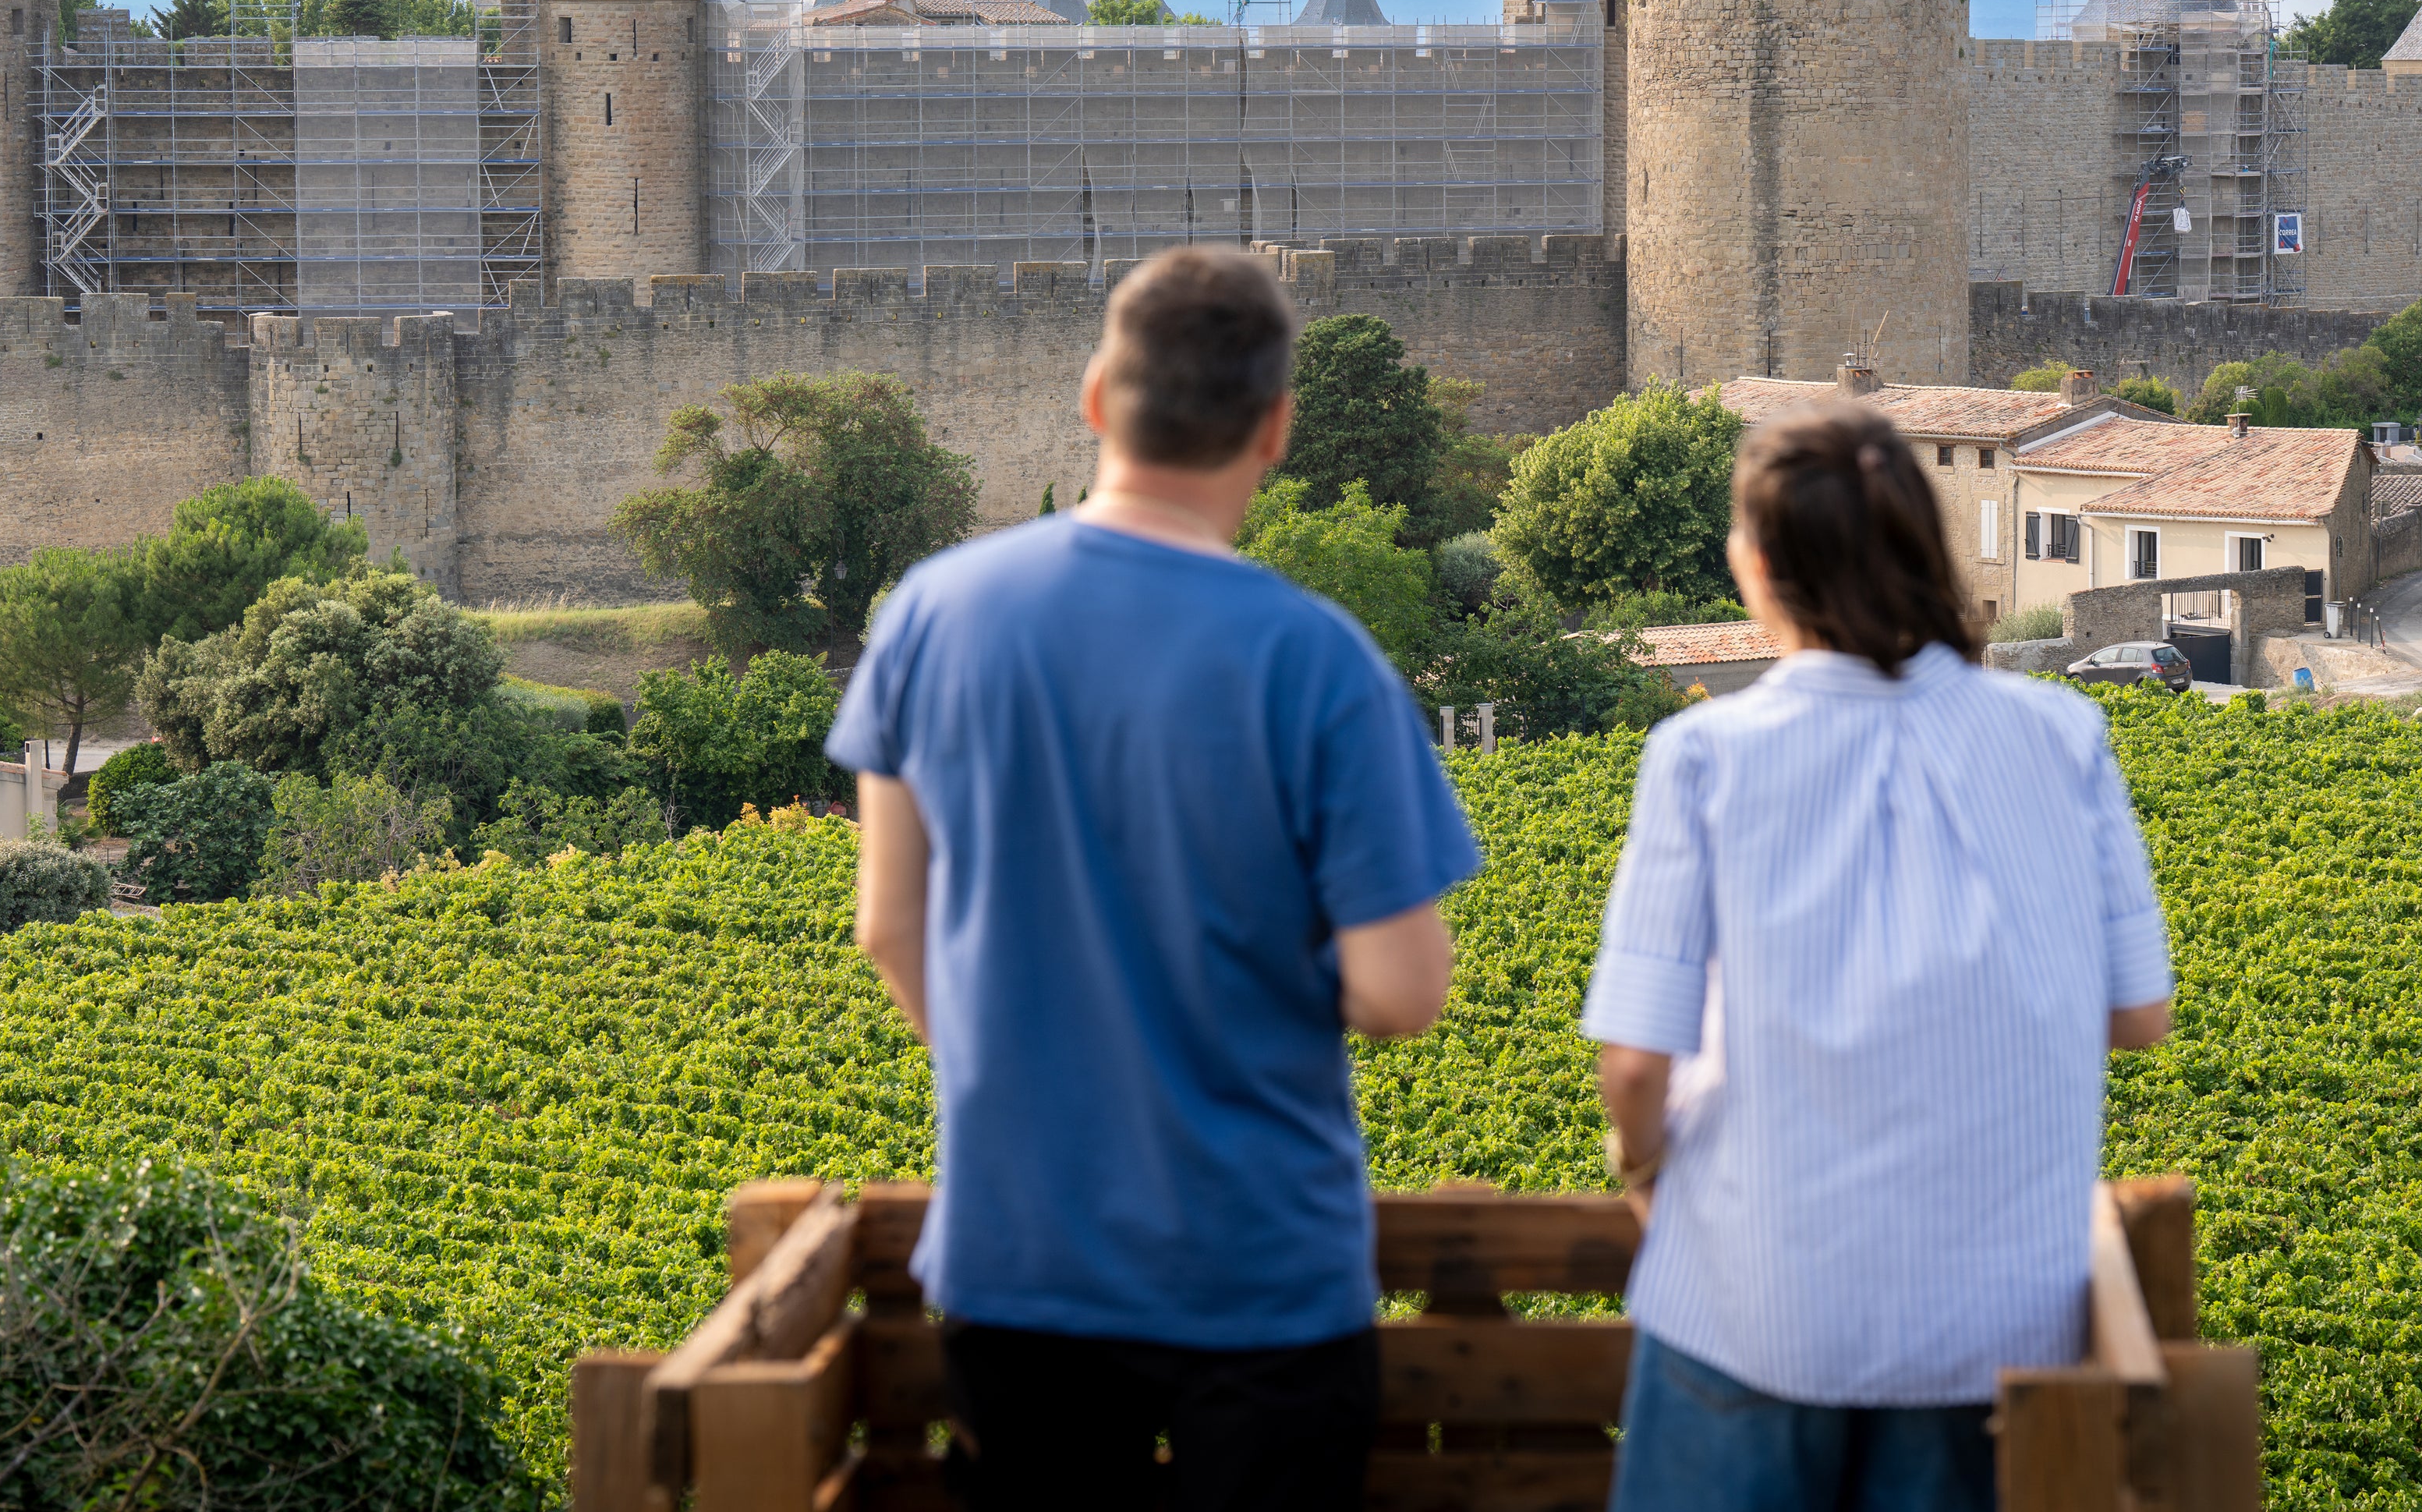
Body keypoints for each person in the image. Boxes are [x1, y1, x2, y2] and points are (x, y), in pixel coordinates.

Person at [829, 246, 1482, 1512]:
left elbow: (886, 926)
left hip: (1019, 1255)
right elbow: (1402, 992)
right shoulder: (1319, 658)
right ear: (1277, 429)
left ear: (1093, 400)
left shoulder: (930, 613)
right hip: (1265, 1272)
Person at [1581, 403, 2174, 1512]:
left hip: (1748, 1295)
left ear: (1754, 566)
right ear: (1927, 553)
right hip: (1991, 1326)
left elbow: (1633, 1063)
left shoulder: (1702, 754)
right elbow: (2139, 1014)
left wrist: (1645, 1171)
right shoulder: (2063, 736)